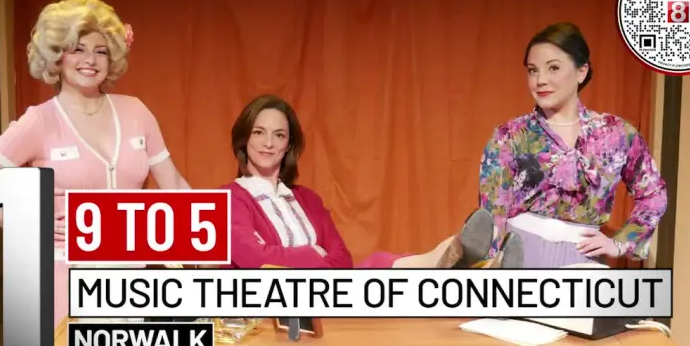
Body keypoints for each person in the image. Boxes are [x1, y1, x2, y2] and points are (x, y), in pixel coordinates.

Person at [0, 0, 190, 327]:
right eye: (78, 49)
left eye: (101, 51)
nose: (90, 60)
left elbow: (175, 186)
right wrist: (30, 225)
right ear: (56, 55)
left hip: (132, 282)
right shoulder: (39, 121)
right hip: (65, 279)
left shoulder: (136, 111)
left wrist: (203, 244)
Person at [220, 94, 524, 269]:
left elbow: (342, 261)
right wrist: (312, 254)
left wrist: (305, 262)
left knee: (378, 263)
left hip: (330, 294)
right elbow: (252, 258)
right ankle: (463, 259)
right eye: (259, 132)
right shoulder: (229, 198)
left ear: (288, 145)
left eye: (279, 135)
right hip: (277, 304)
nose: (269, 143)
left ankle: (464, 259)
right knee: (380, 268)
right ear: (244, 138)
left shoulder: (307, 199)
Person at [478, 22, 667, 268]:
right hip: (520, 258)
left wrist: (622, 242)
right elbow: (492, 216)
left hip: (584, 262)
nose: (540, 80)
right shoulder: (510, 136)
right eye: (533, 70)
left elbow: (653, 194)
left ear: (581, 72)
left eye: (553, 68)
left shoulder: (616, 134)